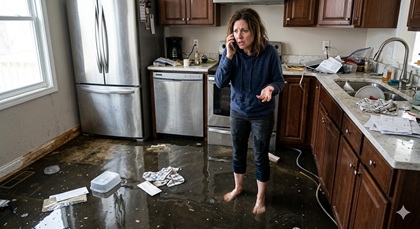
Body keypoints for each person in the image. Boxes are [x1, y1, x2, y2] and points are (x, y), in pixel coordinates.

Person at [215, 8, 284, 215]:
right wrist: (228, 56)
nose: (239, 35)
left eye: (244, 30)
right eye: (236, 31)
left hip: (261, 113)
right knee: (238, 151)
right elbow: (220, 82)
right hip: (238, 111)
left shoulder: (269, 52)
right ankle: (238, 187)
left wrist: (271, 88)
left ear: (255, 30)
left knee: (260, 155)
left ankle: (260, 197)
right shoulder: (231, 52)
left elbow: (279, 80)